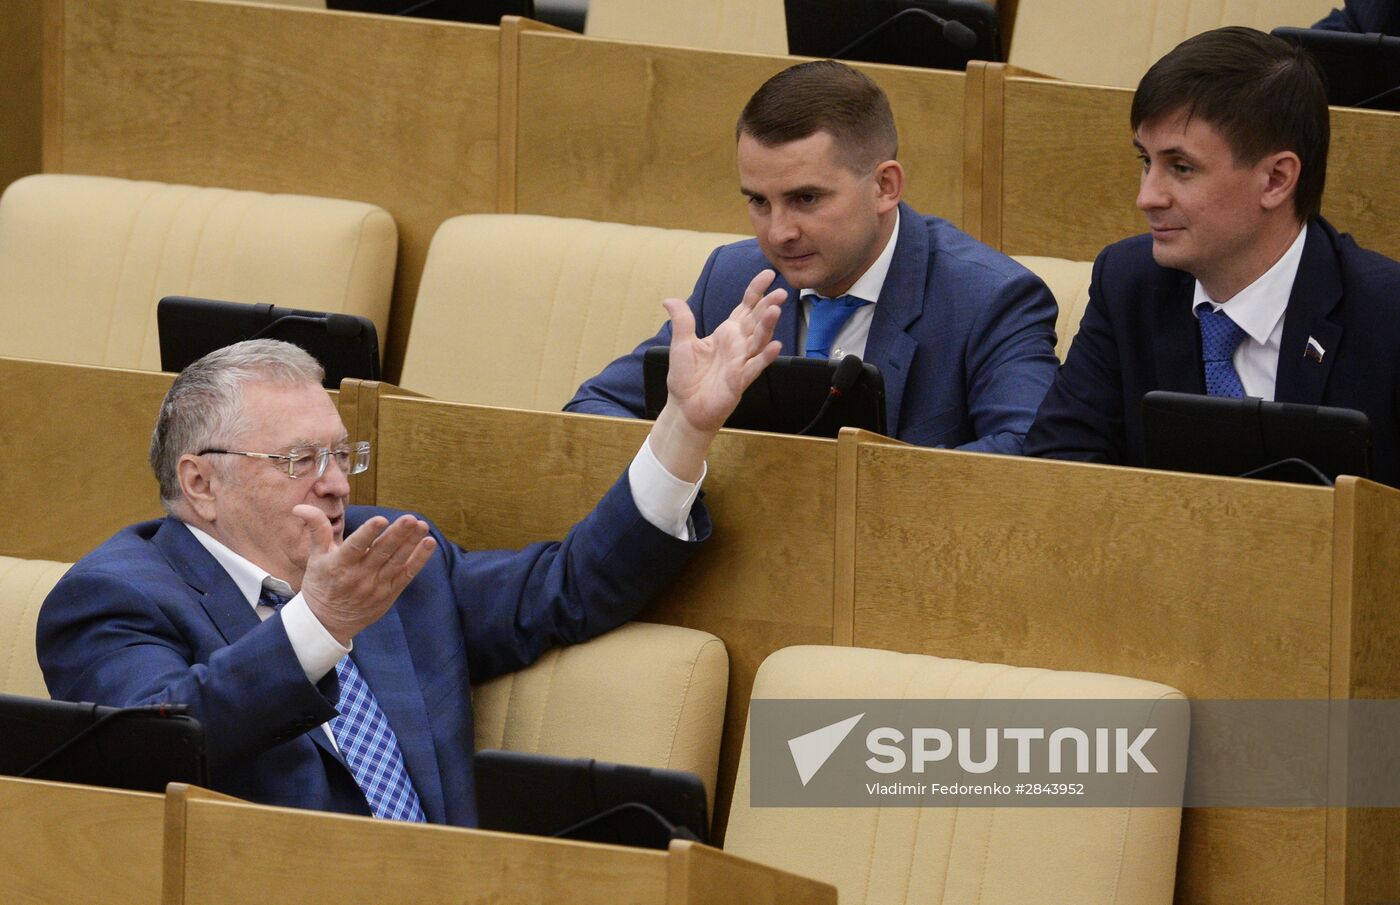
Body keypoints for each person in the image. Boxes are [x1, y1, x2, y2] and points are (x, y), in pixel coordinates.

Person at [37, 277, 785, 826]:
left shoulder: (390, 556)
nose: (335, 484)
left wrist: (685, 427)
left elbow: (567, 588)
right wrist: (319, 627)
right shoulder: (113, 597)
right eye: (301, 461)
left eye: (340, 454)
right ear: (201, 481)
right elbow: (158, 746)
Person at [566, 60, 1059, 453]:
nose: (779, 234)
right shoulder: (735, 277)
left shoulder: (991, 298)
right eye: (759, 201)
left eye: (806, 199)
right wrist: (685, 434)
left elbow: (1032, 455)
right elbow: (594, 408)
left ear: (885, 186)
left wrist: (848, 489)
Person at [1025, 26, 1400, 488]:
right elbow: (1057, 470)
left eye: (1181, 168)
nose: (1147, 197)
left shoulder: (1387, 314)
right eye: (1146, 161)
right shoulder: (1127, 283)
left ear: (1277, 180)